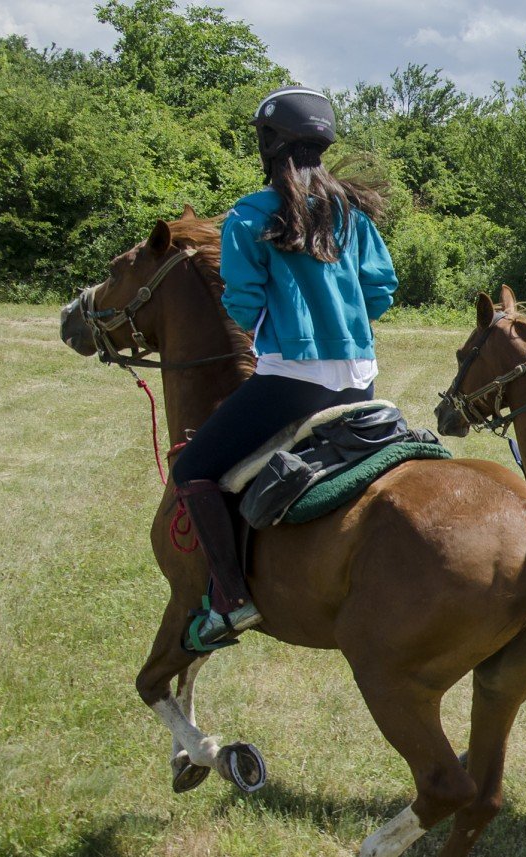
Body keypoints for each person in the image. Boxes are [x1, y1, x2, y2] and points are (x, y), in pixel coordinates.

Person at [171, 85, 398, 652]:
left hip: (291, 382)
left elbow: (243, 301)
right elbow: (382, 289)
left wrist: (280, 331)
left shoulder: (250, 215)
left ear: (270, 143)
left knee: (193, 468)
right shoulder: (354, 214)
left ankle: (230, 601)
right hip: (361, 377)